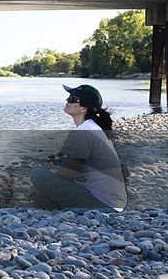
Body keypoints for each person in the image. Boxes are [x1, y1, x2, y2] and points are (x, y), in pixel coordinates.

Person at [29, 84, 127, 213]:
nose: (67, 100)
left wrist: (41, 185)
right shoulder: (92, 127)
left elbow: (72, 173)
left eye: (72, 99)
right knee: (58, 168)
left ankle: (51, 201)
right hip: (112, 201)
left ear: (84, 108)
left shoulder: (85, 130)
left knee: (38, 174)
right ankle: (51, 201)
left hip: (103, 204)